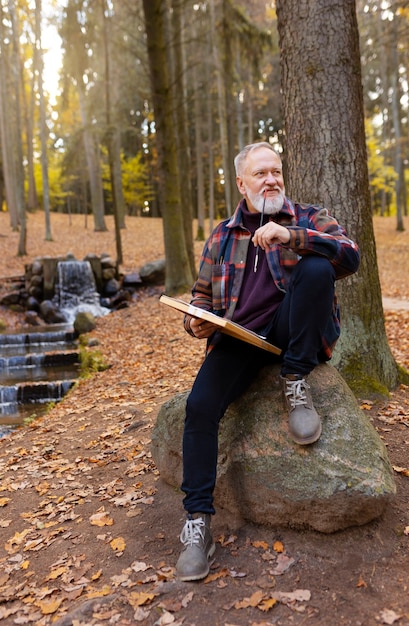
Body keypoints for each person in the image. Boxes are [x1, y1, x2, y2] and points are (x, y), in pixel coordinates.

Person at [175, 141, 360, 582]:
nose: (272, 179)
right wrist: (196, 323)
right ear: (242, 183)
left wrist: (290, 236)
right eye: (261, 173)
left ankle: (295, 379)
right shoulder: (222, 234)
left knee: (317, 267)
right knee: (199, 407)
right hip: (239, 338)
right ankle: (198, 523)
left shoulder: (308, 217)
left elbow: (350, 255)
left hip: (292, 331)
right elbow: (201, 296)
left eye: (276, 171)